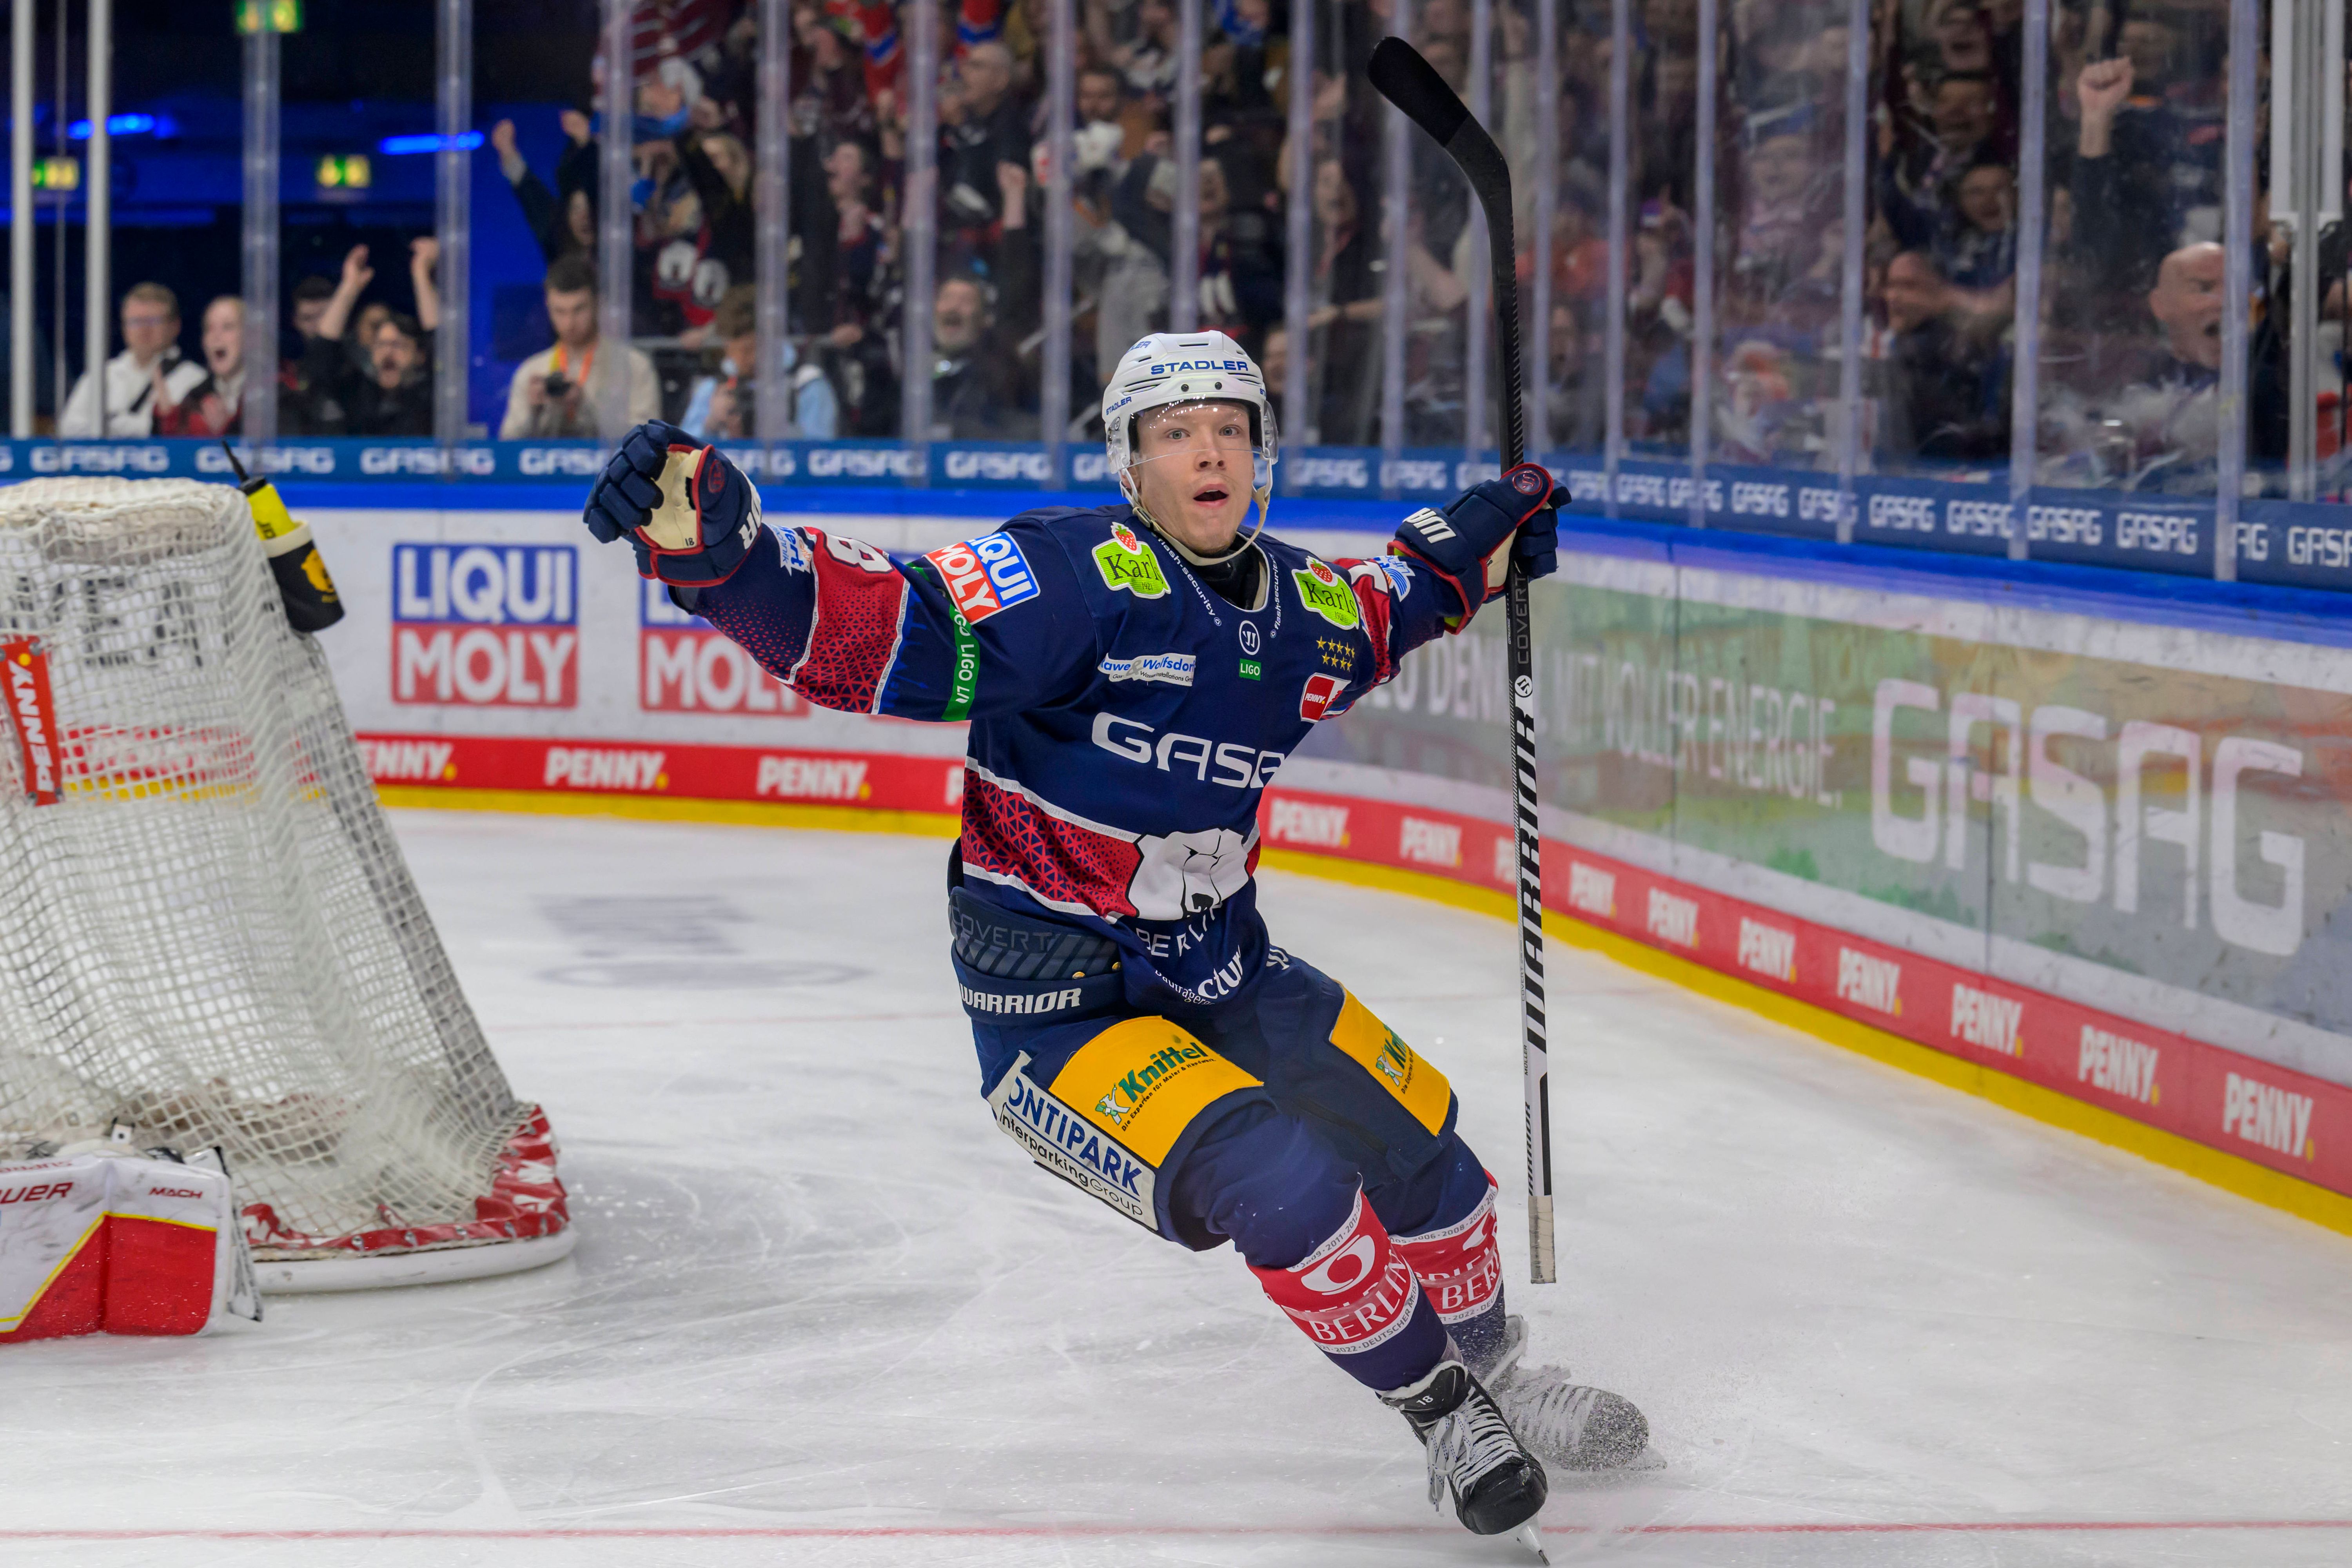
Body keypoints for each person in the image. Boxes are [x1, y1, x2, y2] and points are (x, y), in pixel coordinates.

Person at [578, 332, 1653, 1546]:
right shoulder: (1069, 576)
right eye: (1175, 432)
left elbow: (1397, 601)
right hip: (1059, 1011)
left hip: (1223, 969)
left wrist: (1487, 542)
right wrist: (724, 561)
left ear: (1261, 456)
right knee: (1280, 1176)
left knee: (1421, 1145)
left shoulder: (1302, 610)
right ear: (1129, 464)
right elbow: (891, 635)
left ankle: (1497, 1372)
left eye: (1230, 429)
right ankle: (1443, 1411)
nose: (1209, 452)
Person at [500, 254, 660, 439]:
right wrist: (533, 413)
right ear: (548, 307)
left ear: (597, 303)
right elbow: (506, 445)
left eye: (579, 309)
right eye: (560, 311)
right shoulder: (532, 371)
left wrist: (585, 407)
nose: (569, 323)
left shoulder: (634, 367)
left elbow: (650, 441)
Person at [299, 241, 442, 437]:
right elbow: (322, 355)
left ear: (419, 356)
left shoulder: (430, 397)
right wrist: (350, 287)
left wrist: (420, 273)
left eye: (398, 345)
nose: (388, 352)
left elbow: (441, 345)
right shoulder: (357, 395)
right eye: (381, 345)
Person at [677, 283, 838, 440]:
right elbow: (684, 450)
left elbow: (822, 448)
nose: (746, 359)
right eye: (734, 350)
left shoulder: (805, 384)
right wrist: (711, 424)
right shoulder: (713, 389)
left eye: (752, 349)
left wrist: (779, 430)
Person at [58, 282, 206, 437]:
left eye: (154, 321)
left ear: (175, 326)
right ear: (124, 327)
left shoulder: (195, 379)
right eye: (135, 321)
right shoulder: (102, 375)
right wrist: (144, 426)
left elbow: (186, 431)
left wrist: (113, 425)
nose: (144, 329)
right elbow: (68, 427)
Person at [152, 296, 250, 437]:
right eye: (209, 329)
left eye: (228, 327)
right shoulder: (194, 399)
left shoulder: (274, 395)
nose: (216, 336)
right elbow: (177, 449)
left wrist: (226, 430)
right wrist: (168, 421)